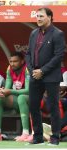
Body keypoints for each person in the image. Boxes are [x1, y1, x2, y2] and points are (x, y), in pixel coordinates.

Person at [26, 7, 66, 145]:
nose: (38, 18)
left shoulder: (58, 34)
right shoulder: (33, 33)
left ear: (50, 17)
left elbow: (59, 56)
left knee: (53, 106)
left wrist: (42, 71)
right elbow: (28, 54)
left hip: (50, 76)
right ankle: (37, 137)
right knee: (33, 106)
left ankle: (55, 137)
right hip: (34, 76)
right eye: (37, 16)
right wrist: (32, 70)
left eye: (41, 16)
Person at [0, 52, 30, 141]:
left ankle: (26, 133)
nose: (12, 64)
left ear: (22, 61)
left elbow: (28, 90)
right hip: (17, 100)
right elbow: (7, 88)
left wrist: (10, 91)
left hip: (30, 100)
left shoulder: (27, 69)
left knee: (21, 97)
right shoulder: (9, 69)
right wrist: (3, 92)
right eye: (11, 61)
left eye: (15, 61)